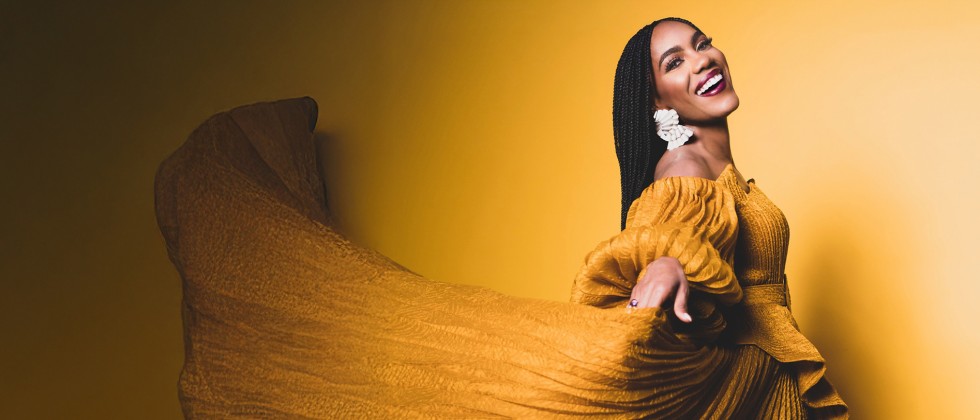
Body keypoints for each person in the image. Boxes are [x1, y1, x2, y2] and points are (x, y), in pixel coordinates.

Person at [588, 16, 850, 417]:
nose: (702, 60)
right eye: (674, 63)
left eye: (702, 43)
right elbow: (673, 237)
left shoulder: (713, 165)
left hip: (764, 376)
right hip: (741, 380)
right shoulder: (685, 166)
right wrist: (663, 265)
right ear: (657, 102)